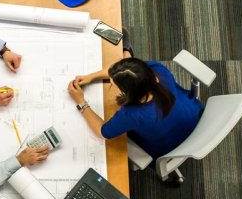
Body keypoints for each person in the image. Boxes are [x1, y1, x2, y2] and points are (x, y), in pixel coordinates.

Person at [67, 30, 203, 182]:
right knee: (126, 54)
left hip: (168, 147)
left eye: (113, 84)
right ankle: (127, 50)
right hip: (196, 117)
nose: (111, 85)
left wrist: (81, 102)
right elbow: (131, 71)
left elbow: (102, 132)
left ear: (128, 92)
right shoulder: (157, 70)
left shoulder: (132, 114)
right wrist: (90, 77)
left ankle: (126, 50)